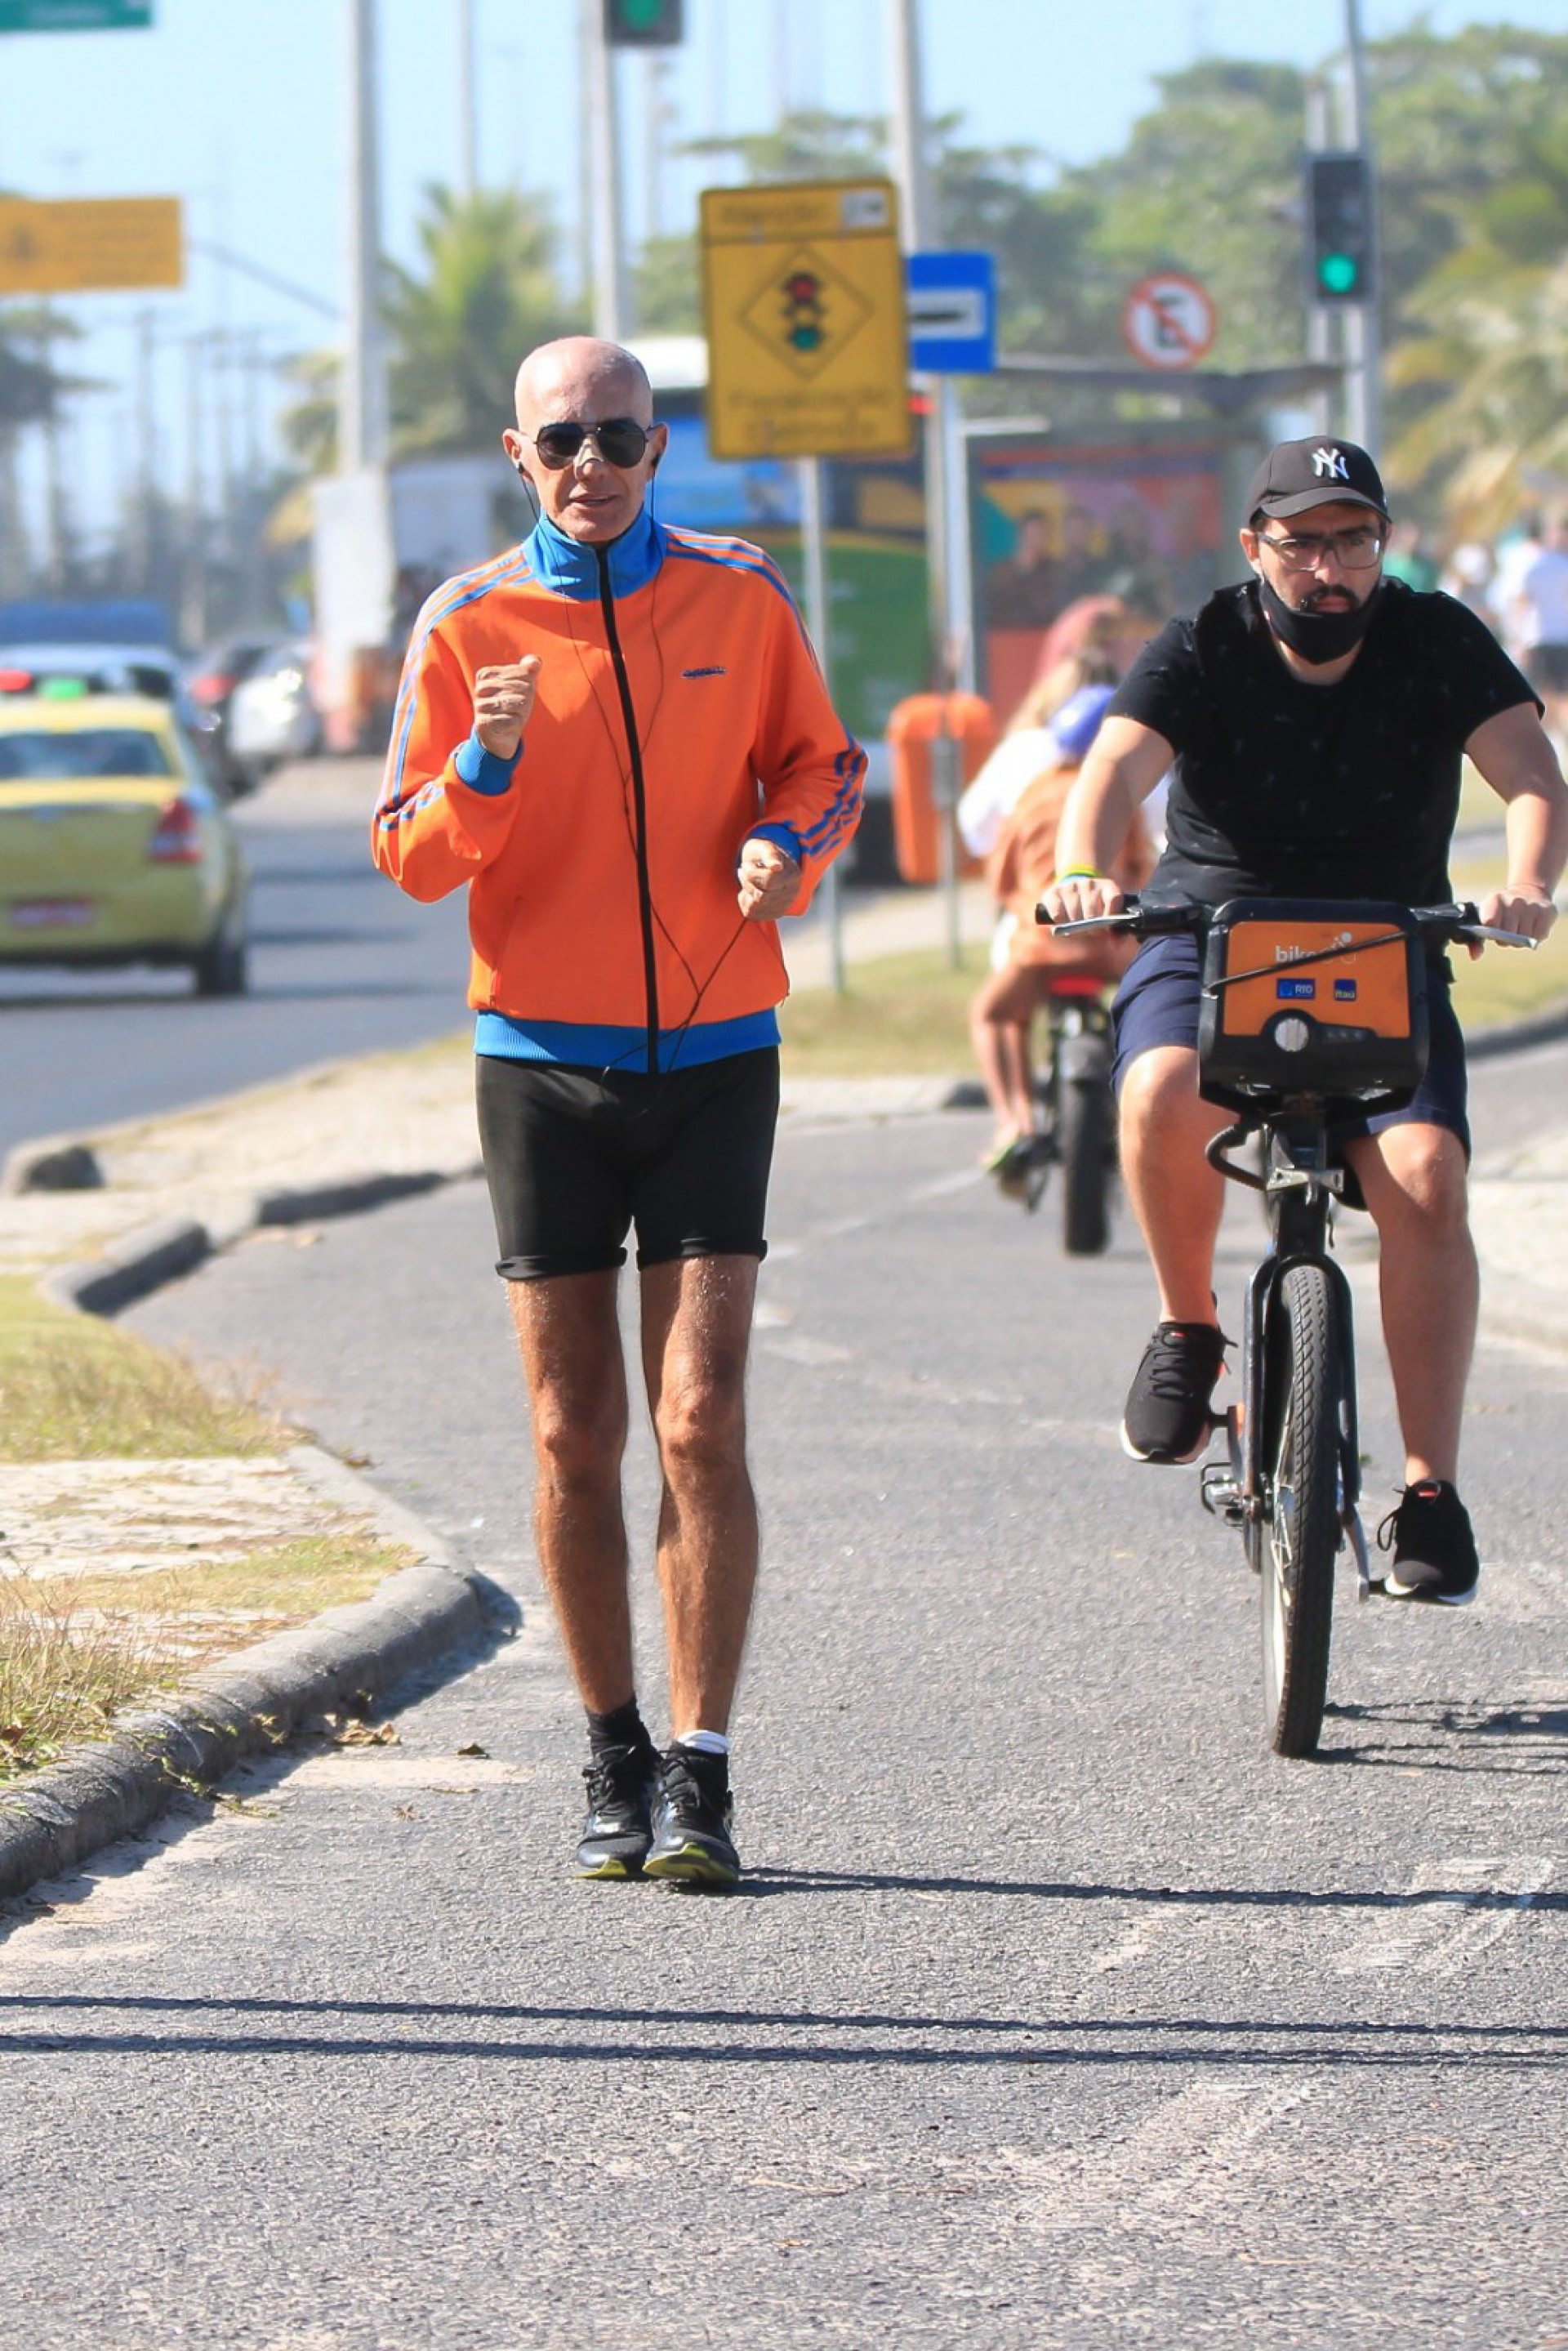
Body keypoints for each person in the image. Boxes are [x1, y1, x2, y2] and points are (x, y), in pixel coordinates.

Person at [372, 337, 863, 1889]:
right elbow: (410, 852)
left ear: (662, 451)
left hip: (719, 1046)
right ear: (518, 454)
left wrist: (792, 843)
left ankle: (704, 1770)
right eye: (564, 440)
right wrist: (485, 756)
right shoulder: (467, 622)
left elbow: (827, 766)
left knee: (700, 1417)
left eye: (624, 439)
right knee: (573, 1432)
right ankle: (610, 1747)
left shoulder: (740, 594)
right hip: (541, 1063)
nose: (595, 465)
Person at [1040, 436, 1567, 1606]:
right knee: (1158, 1088)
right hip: (1211, 934)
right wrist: (1085, 864)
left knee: (1425, 1174)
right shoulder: (1204, 641)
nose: (1329, 570)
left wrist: (1529, 883)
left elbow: (1532, 774)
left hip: (1383, 940)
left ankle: (1430, 1489)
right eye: (1304, 543)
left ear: (1384, 544)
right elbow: (1114, 767)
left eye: (1354, 541)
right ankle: (1188, 1331)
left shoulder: (1435, 638)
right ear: (1256, 547)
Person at [967, 682, 1152, 1188]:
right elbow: (1139, 867)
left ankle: (1015, 1119)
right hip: (1110, 949)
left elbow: (1002, 877)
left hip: (1039, 948)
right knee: (1153, 1012)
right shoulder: (1116, 800)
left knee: (993, 1014)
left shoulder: (1032, 795)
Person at [984, 511, 1059, 630]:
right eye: (1030, 536)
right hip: (1007, 641)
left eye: (1039, 536)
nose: (1034, 541)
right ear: (1020, 536)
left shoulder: (1054, 572)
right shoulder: (1001, 574)